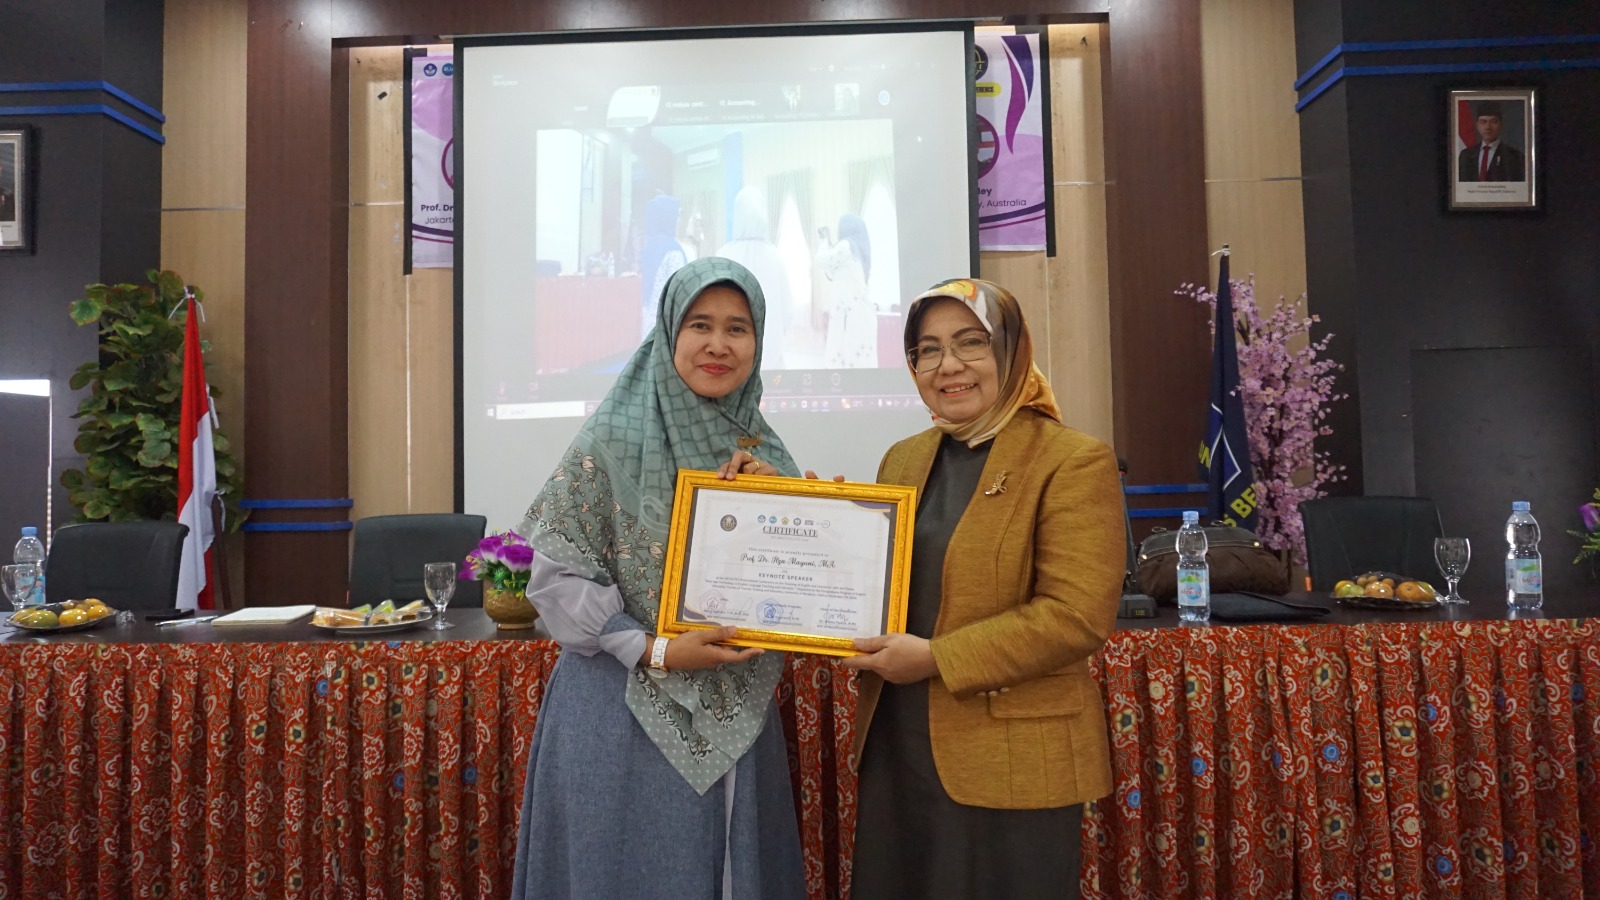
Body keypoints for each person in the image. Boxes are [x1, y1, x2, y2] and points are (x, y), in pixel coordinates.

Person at [510, 257, 807, 900]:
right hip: (618, 711)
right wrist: (661, 649)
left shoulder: (764, 451)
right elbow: (556, 580)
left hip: (735, 716)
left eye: (737, 328)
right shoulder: (611, 440)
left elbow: (794, 586)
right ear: (670, 333)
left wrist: (785, 503)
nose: (719, 344)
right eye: (700, 325)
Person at [843, 278, 1125, 900]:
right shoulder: (903, 458)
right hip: (899, 744)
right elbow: (876, 577)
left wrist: (936, 659)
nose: (948, 365)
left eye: (970, 342)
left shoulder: (1072, 460)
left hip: (1013, 756)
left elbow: (1074, 617)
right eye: (928, 349)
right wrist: (813, 524)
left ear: (1010, 349)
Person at [716, 187, 792, 369]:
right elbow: (788, 312)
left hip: (729, 358)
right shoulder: (775, 257)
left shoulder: (723, 254)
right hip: (770, 357)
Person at [814, 213, 876, 368]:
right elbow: (831, 272)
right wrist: (830, 244)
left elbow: (821, 259)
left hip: (852, 318)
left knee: (845, 364)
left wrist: (823, 241)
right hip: (859, 316)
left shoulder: (847, 245)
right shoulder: (856, 250)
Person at [638, 194, 687, 339]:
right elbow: (680, 291)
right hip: (667, 324)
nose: (679, 221)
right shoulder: (673, 250)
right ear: (668, 218)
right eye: (677, 216)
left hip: (649, 322)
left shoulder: (650, 247)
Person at [1457, 99, 1525, 183]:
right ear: (1477, 125)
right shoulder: (1466, 155)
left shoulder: (1515, 157)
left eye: (1493, 122)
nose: (1488, 127)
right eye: (1483, 122)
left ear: (1500, 124)